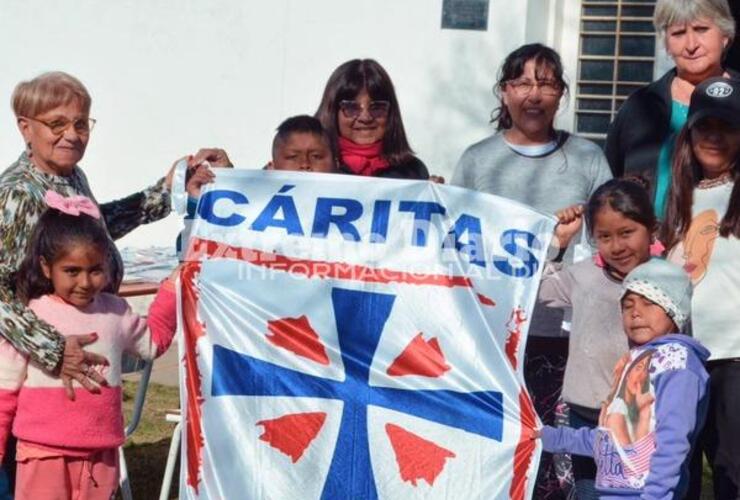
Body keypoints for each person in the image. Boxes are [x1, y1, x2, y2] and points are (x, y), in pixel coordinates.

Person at [0, 71, 230, 390]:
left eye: (80, 124)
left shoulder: (70, 175)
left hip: (78, 353)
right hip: (42, 372)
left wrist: (169, 189)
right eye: (57, 124)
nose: (71, 135)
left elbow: (93, 230)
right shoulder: (18, 194)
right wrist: (54, 350)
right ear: (25, 127)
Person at [451, 42, 612, 497]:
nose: (533, 94)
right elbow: (456, 246)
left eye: (546, 83)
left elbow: (610, 239)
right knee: (500, 453)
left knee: (562, 460)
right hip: (497, 338)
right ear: (504, 92)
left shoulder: (588, 158)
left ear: (562, 94)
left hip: (570, 339)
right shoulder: (477, 160)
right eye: (522, 82)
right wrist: (548, 242)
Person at [0, 193, 178, 499]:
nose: (85, 282)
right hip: (43, 456)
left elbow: (152, 343)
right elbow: (4, 390)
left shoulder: (116, 311)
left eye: (95, 270)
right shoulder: (31, 316)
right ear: (46, 267)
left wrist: (173, 290)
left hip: (102, 457)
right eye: (71, 271)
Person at [537, 258, 709, 499]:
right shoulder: (632, 361)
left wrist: (656, 495)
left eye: (649, 302)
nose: (635, 312)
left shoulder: (676, 361)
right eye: (627, 305)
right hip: (612, 491)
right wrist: (550, 437)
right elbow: (612, 438)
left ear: (674, 310)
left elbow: (673, 440)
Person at [538, 178, 660, 499]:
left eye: (627, 233)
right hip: (585, 415)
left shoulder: (667, 278)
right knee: (591, 492)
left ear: (652, 229)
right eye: (604, 237)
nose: (617, 246)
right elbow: (536, 291)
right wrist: (559, 244)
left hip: (643, 421)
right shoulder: (583, 275)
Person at [662, 76, 740, 498]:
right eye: (705, 125)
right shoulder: (678, 196)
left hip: (735, 357)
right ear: (689, 133)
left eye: (727, 126)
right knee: (680, 466)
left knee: (732, 468)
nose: (714, 136)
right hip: (683, 356)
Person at [605, 0, 737, 218]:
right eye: (678, 33)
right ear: (665, 43)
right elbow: (610, 184)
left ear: (725, 35)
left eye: (701, 29)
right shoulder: (640, 107)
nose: (691, 44)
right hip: (651, 249)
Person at [176, 115, 337, 259]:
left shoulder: (353, 212)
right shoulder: (247, 211)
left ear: (335, 164)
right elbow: (187, 255)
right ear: (271, 167)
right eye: (293, 157)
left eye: (316, 156)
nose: (305, 164)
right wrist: (198, 204)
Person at [315, 59, 431, 180]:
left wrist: (434, 192)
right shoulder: (314, 167)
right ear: (332, 112)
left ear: (391, 113)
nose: (365, 117)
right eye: (351, 108)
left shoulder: (413, 171)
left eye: (377, 107)